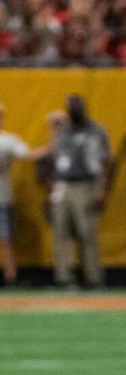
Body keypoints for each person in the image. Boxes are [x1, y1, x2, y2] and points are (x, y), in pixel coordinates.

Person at [50, 94, 110, 290]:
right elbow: (54, 159)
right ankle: (64, 278)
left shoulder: (95, 130)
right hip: (62, 185)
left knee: (87, 232)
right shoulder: (62, 131)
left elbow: (106, 161)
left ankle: (93, 277)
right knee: (61, 232)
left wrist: (102, 188)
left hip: (85, 184)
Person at [0, 103, 53, 287]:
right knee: (6, 239)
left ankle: (11, 276)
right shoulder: (7, 141)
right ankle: (11, 276)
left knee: (6, 239)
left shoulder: (7, 141)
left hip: (2, 198)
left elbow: (30, 154)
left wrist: (50, 143)